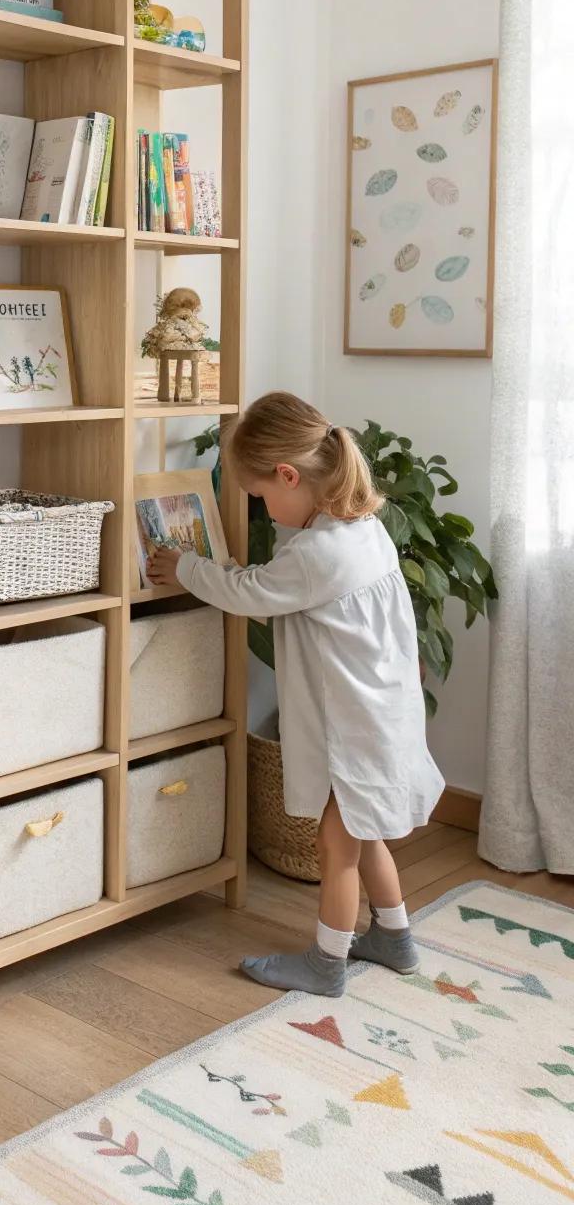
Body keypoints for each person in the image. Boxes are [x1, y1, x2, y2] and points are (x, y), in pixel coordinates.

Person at [146, 391, 444, 997]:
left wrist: (186, 568)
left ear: (288, 476)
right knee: (363, 833)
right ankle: (395, 938)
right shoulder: (362, 529)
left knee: (336, 845)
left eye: (259, 496)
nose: (262, 509)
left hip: (357, 727)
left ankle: (326, 964)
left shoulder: (317, 554)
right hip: (383, 715)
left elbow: (251, 593)